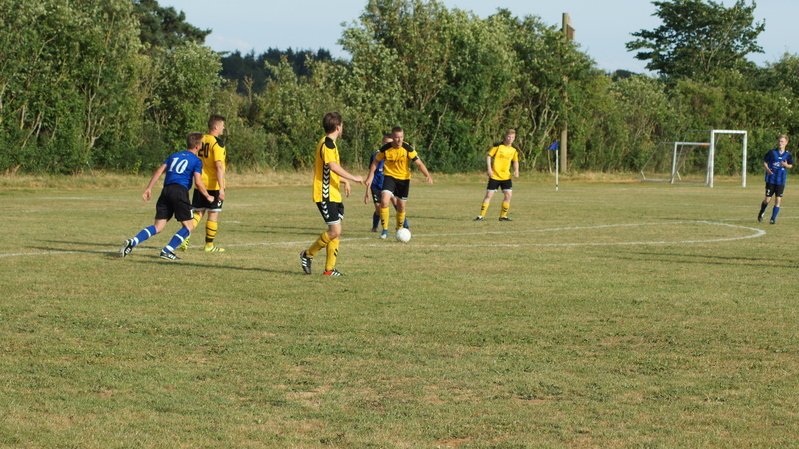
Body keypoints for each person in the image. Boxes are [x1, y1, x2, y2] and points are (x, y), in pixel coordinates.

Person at [120, 133, 214, 260]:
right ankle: (167, 250)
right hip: (180, 192)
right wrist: (208, 196)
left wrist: (149, 188)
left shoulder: (174, 156)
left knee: (158, 227)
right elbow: (198, 182)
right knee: (189, 227)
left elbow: (159, 171)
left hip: (166, 191)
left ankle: (133, 241)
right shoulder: (196, 161)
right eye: (201, 143)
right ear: (197, 146)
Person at [299, 112, 365, 276]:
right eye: (342, 125)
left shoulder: (330, 144)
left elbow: (328, 171)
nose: (342, 128)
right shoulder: (327, 144)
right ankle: (307, 254)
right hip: (325, 194)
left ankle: (329, 270)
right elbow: (332, 166)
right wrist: (353, 177)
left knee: (336, 231)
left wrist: (344, 181)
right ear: (338, 127)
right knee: (335, 231)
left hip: (333, 193)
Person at [364, 126, 433, 239]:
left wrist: (427, 175)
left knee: (401, 206)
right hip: (389, 177)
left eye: (401, 137)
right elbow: (375, 162)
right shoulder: (385, 148)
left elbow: (419, 163)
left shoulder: (408, 148)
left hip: (403, 180)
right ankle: (384, 231)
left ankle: (399, 228)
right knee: (384, 201)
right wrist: (369, 177)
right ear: (392, 137)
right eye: (397, 137)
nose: (399, 139)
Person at [180, 114, 227, 252]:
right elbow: (219, 166)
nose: (223, 128)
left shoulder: (201, 139)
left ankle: (185, 235)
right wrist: (222, 188)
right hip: (214, 184)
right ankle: (209, 245)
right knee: (213, 214)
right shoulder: (217, 143)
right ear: (216, 127)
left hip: (200, 182)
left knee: (198, 213)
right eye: (222, 125)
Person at [364, 133, 409, 231]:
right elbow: (371, 172)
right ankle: (375, 227)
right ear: (382, 143)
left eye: (390, 142)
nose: (388, 145)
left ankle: (405, 227)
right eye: (386, 143)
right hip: (376, 185)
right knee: (379, 208)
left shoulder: (396, 153)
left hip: (389, 184)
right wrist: (367, 192)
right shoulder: (376, 155)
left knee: (397, 204)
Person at [474, 129, 520, 222]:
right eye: (509, 137)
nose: (510, 139)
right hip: (495, 176)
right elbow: (489, 156)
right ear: (505, 137)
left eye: (512, 137)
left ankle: (503, 216)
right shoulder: (498, 147)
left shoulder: (514, 150)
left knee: (508, 195)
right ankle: (481, 216)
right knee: (489, 195)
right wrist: (489, 169)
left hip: (506, 177)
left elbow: (515, 161)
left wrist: (516, 170)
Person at [757, 134, 794, 224]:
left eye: (782, 141)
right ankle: (762, 212)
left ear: (786, 143)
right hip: (771, 180)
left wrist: (786, 165)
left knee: (778, 200)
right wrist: (767, 169)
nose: (780, 143)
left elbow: (791, 165)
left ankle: (773, 219)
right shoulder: (772, 152)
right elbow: (765, 162)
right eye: (779, 141)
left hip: (781, 181)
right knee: (767, 199)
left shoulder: (788, 155)